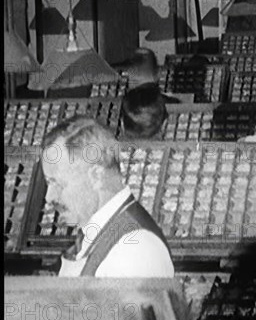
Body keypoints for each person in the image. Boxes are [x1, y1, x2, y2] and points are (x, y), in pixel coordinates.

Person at [41, 115, 174, 277]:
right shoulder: (95, 230)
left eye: (57, 184)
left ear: (97, 176)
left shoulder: (134, 249)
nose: (49, 197)